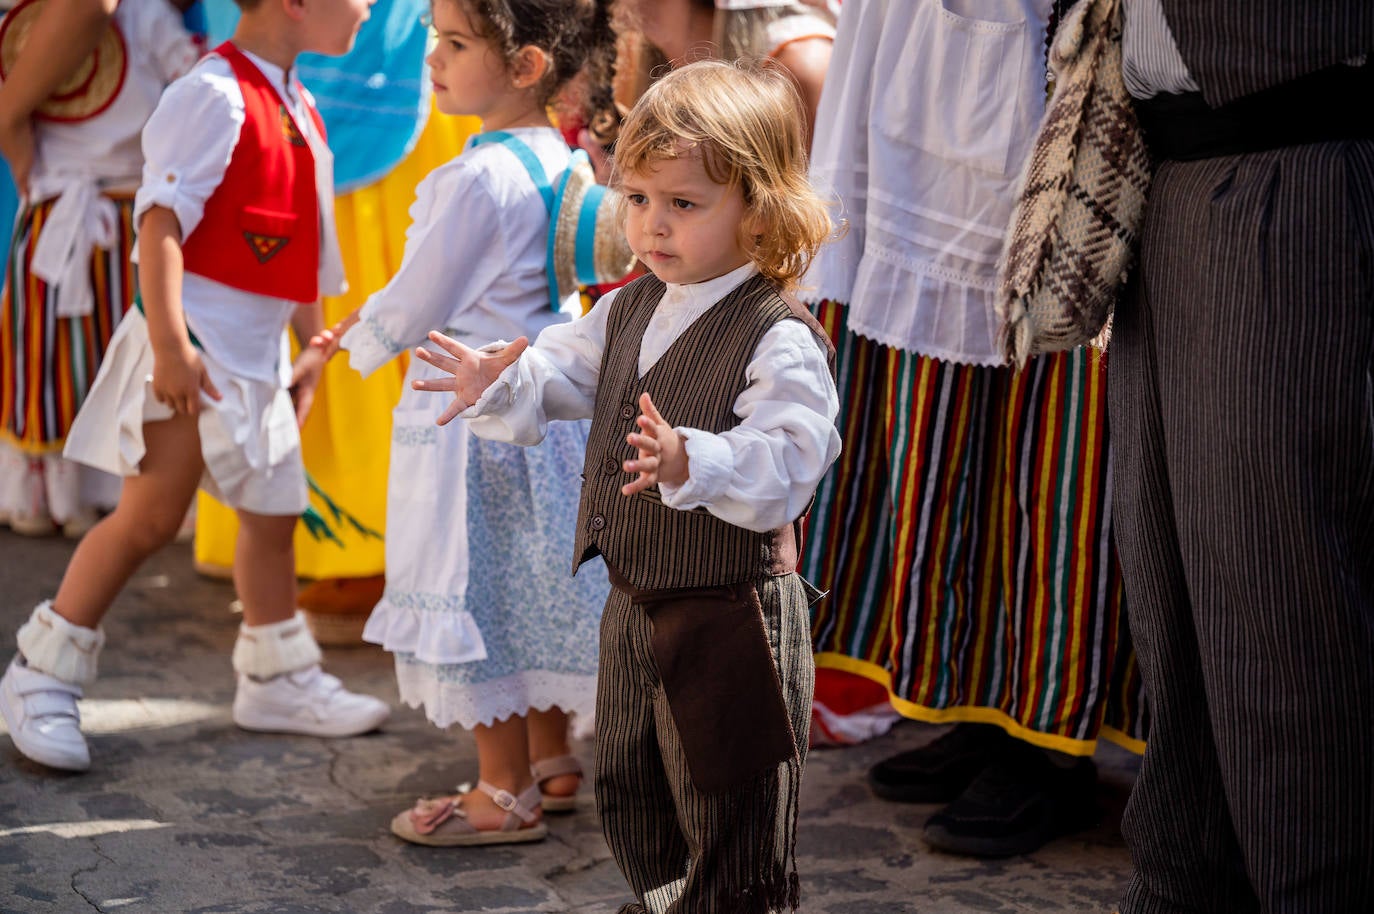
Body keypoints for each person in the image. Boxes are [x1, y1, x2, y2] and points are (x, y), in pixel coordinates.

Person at [412, 59, 840, 912]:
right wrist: (500, 383)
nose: (653, 225)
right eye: (638, 199)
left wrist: (697, 461)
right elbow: (559, 376)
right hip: (636, 599)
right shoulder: (628, 307)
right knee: (635, 786)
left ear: (757, 208)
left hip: (732, 616)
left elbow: (793, 455)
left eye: (684, 204)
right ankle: (664, 898)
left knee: (731, 801)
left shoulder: (775, 334)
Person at [0, 0, 389, 774]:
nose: (371, 3)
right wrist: (173, 347)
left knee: (275, 514)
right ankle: (39, 675)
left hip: (257, 360)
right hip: (198, 354)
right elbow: (160, 224)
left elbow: (300, 238)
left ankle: (277, 678)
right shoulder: (212, 93)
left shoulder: (296, 100)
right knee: (147, 519)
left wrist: (308, 344)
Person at [798, 0, 1144, 858]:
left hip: (1030, 134)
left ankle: (1047, 742)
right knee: (957, 450)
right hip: (919, 107)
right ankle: (985, 704)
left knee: (1048, 460)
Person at [319, 0, 617, 846]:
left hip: (472, 419)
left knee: (478, 600)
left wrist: (349, 343)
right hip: (543, 413)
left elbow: (418, 302)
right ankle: (552, 761)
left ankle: (503, 791)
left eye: (454, 44)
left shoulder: (474, 179)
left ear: (524, 66)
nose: (433, 58)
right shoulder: (557, 157)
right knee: (531, 589)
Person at [1110, 1, 1373, 910]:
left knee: (1276, 595)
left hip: (1293, 157)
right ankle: (1185, 886)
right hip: (1170, 171)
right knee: (1168, 581)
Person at [0, 0, 198, 537]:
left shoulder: (21, 19)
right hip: (113, 215)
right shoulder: (151, 16)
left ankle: (48, 498)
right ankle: (100, 494)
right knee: (117, 357)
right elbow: (192, 82)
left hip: (60, 210)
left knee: (54, 356)